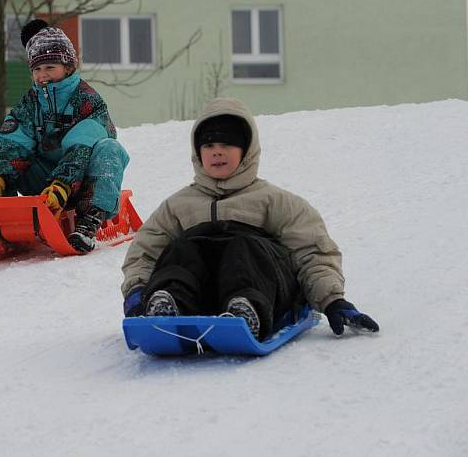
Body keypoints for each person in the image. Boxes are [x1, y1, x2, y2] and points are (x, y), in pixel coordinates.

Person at [120, 98, 379, 340]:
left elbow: (311, 250)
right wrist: (136, 292)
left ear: (247, 151)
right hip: (200, 295)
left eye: (227, 144)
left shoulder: (274, 201)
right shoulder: (177, 206)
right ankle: (169, 307)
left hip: (263, 293)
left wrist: (332, 300)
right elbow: (146, 251)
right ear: (197, 152)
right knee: (183, 249)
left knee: (243, 248)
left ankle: (247, 309)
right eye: (208, 145)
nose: (217, 152)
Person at [0, 19, 129, 253]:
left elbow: (80, 149)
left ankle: (89, 222)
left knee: (109, 149)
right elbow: (12, 142)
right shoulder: (30, 104)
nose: (42, 75)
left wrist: (62, 185)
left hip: (82, 182)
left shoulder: (87, 101)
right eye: (37, 69)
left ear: (67, 67)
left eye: (50, 67)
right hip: (45, 186)